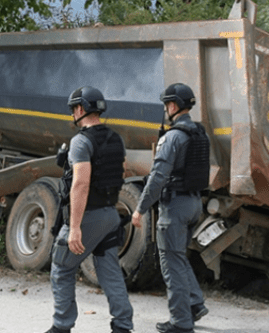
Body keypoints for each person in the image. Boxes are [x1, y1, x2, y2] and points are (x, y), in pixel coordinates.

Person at [45, 86, 134, 333]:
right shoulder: (116, 139)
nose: (73, 113)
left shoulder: (81, 141)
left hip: (88, 217)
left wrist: (74, 228)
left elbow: (81, 184)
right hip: (110, 214)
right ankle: (123, 326)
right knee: (110, 273)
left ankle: (61, 327)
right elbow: (121, 172)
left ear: (80, 109)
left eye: (74, 109)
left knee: (62, 268)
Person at [131, 83, 210, 333]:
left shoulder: (173, 137)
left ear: (174, 106)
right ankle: (195, 304)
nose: (166, 110)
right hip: (195, 204)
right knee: (178, 257)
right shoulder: (200, 133)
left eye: (167, 105)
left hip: (175, 206)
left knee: (170, 262)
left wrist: (140, 208)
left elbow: (157, 178)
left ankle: (180, 322)